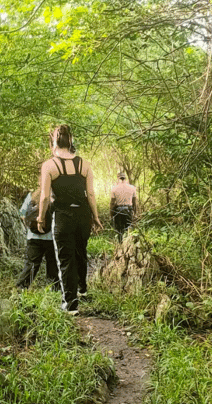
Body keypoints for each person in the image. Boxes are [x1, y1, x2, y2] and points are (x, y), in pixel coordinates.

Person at [37, 125, 102, 314]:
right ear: (71, 141)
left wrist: (41, 218)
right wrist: (95, 217)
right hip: (83, 216)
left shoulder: (49, 165)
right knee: (81, 251)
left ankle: (70, 304)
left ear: (54, 142)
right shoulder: (85, 164)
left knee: (65, 259)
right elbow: (90, 193)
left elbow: (44, 196)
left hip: (63, 216)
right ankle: (82, 288)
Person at [15, 187, 59, 290]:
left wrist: (31, 226)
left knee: (31, 265)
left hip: (33, 237)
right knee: (53, 265)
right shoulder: (57, 195)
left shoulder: (32, 195)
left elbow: (22, 213)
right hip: (52, 237)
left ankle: (21, 288)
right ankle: (54, 289)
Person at [110, 171, 137, 241]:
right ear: (125, 178)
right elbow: (134, 202)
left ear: (118, 178)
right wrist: (135, 212)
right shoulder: (132, 188)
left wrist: (111, 213)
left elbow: (112, 203)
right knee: (129, 229)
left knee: (119, 230)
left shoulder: (114, 188)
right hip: (128, 210)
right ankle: (128, 245)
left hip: (118, 211)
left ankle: (120, 245)